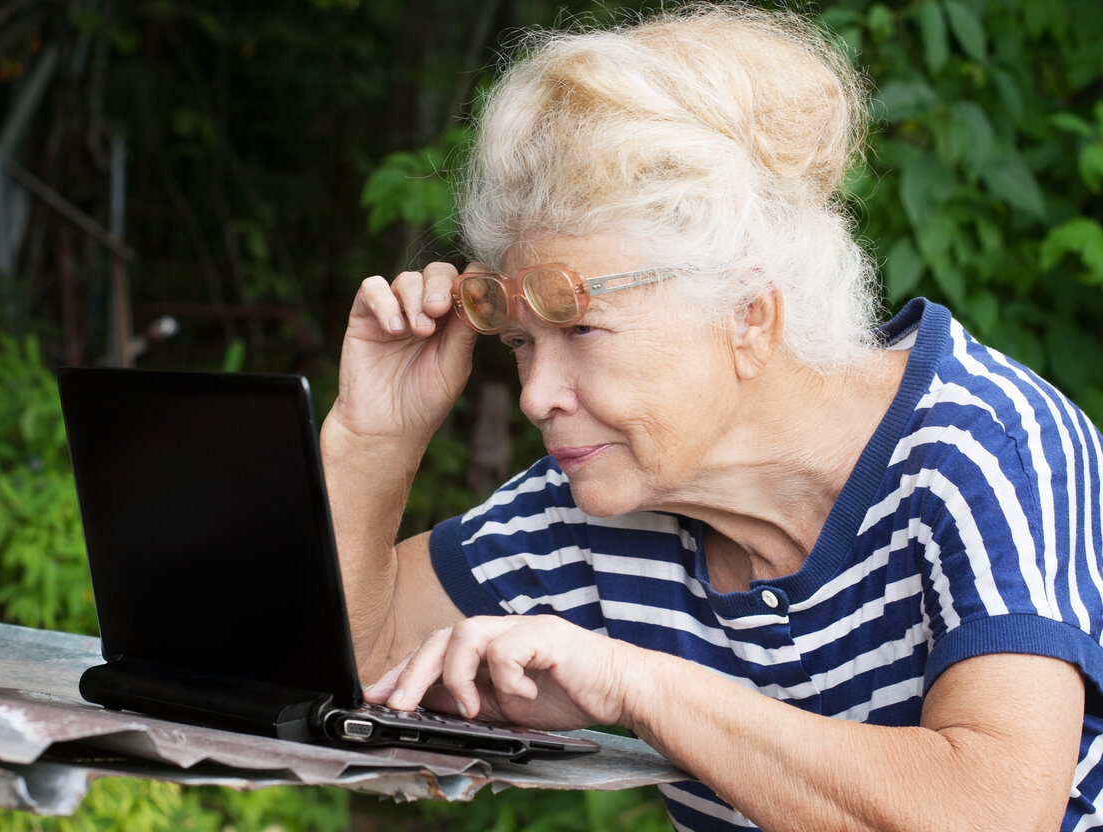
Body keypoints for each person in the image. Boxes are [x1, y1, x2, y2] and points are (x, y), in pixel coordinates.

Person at [319, 4, 1103, 830]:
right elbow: (349, 672)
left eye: (581, 328)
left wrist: (637, 683)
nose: (534, 394)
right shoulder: (595, 504)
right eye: (519, 341)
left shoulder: (984, 447)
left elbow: (993, 812)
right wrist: (375, 439)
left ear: (749, 319)